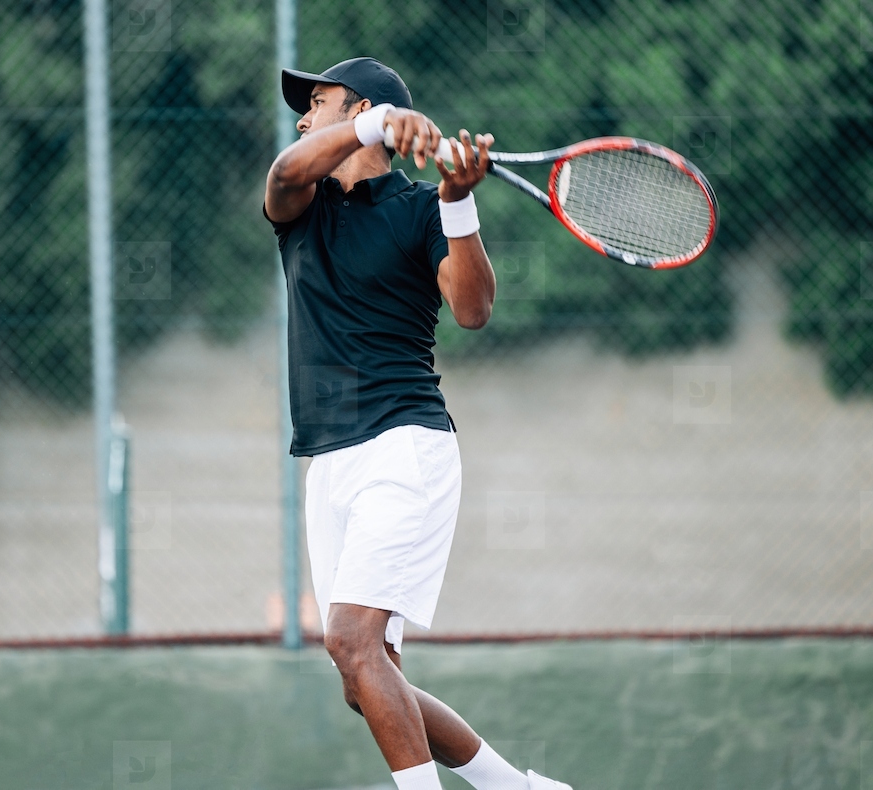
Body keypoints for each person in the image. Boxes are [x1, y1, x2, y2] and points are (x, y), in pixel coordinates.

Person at [263, 56, 574, 790]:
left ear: (360, 104)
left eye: (320, 103)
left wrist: (459, 200)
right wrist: (370, 126)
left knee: (350, 640)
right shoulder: (302, 204)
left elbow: (473, 309)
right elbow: (283, 173)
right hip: (328, 462)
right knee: (362, 677)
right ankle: (516, 789)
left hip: (405, 448)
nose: (304, 118)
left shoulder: (420, 211)